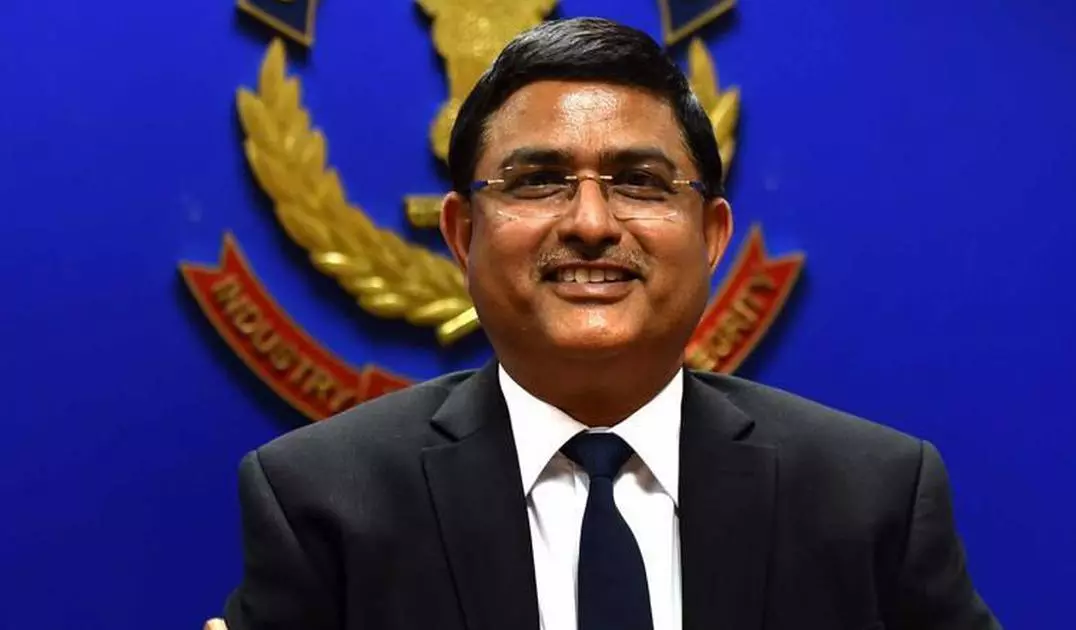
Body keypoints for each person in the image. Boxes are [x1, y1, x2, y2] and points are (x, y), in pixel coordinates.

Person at [215, 16, 1002, 630]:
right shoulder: (323, 499)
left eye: (639, 182)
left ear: (712, 236)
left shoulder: (870, 496)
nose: (591, 223)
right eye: (539, 181)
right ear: (462, 233)